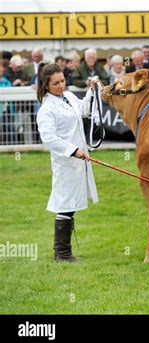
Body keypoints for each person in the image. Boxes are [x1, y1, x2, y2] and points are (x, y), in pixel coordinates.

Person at [36, 63, 99, 262]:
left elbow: (84, 109)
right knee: (65, 203)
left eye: (62, 80)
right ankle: (62, 253)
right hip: (66, 161)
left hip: (79, 160)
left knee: (69, 203)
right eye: (56, 83)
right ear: (46, 85)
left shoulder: (69, 97)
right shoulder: (46, 109)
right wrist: (73, 150)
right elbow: (49, 138)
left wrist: (91, 91)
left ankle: (63, 252)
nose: (61, 85)